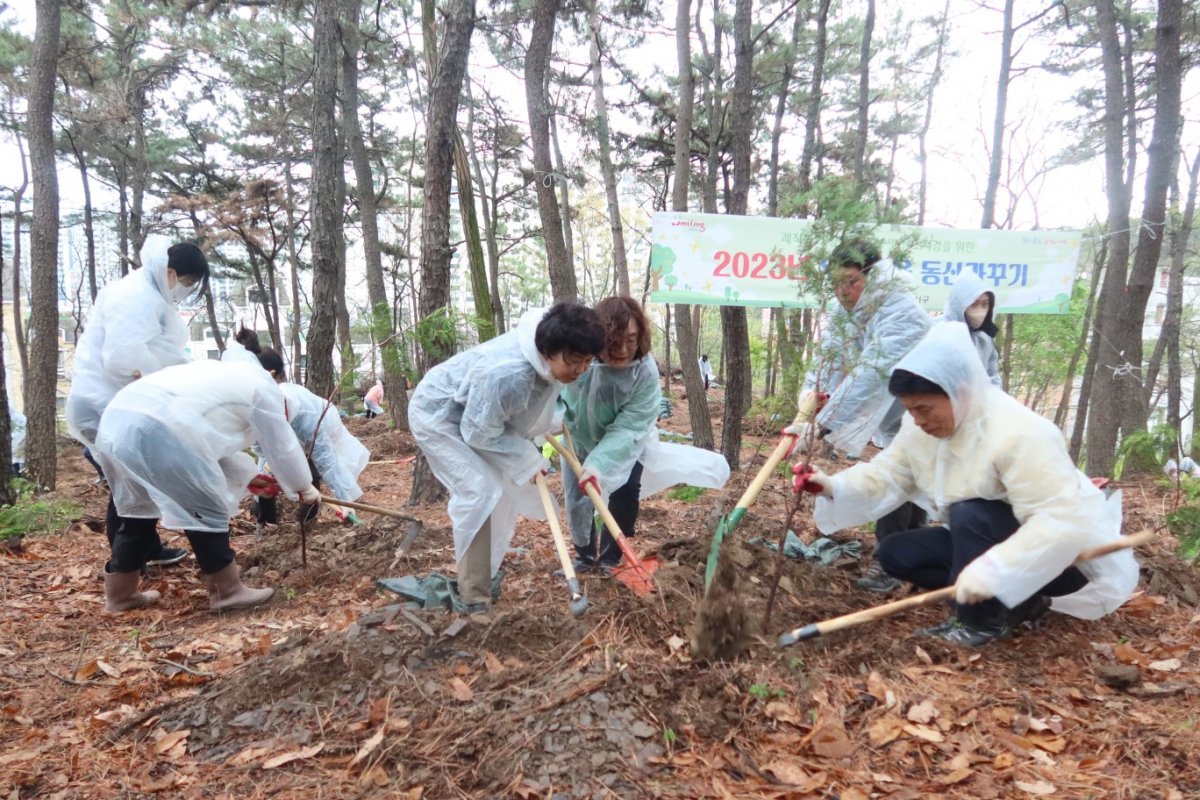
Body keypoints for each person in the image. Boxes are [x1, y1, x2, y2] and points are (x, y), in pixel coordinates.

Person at [793, 323, 1138, 647]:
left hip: (1063, 562)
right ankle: (1019, 602)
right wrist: (830, 486)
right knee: (895, 553)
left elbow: (1061, 524)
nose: (918, 420)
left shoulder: (1021, 432)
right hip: (988, 542)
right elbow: (889, 472)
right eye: (910, 411)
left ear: (959, 391)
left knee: (971, 512)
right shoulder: (920, 429)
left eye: (925, 408)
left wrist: (997, 568)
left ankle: (979, 621)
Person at [408, 303, 606, 615]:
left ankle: (484, 575)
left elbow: (523, 409)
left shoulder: (552, 361)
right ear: (547, 350)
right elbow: (477, 431)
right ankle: (474, 594)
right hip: (439, 415)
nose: (581, 370)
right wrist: (527, 459)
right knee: (479, 491)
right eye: (574, 361)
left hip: (477, 418)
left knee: (502, 496)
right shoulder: (509, 373)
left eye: (587, 361)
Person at [92, 358, 321, 613]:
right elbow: (282, 446)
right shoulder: (267, 394)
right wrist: (303, 485)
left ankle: (121, 595)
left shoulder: (225, 379)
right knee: (205, 505)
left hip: (115, 424)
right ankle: (228, 592)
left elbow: (207, 444)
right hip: (161, 428)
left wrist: (250, 478)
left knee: (136, 510)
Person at [786, 237, 933, 593]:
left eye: (851, 281)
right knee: (908, 483)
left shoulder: (899, 306)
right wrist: (809, 398)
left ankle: (892, 564)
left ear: (872, 274)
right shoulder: (845, 309)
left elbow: (872, 372)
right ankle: (911, 560)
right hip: (897, 417)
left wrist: (822, 425)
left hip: (927, 411)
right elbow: (829, 357)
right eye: (836, 283)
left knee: (902, 483)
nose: (843, 290)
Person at [66, 236, 211, 568]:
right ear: (171, 271)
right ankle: (125, 565)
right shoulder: (136, 296)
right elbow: (123, 358)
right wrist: (162, 395)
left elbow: (160, 352)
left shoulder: (149, 293)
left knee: (133, 487)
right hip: (104, 404)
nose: (186, 289)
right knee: (132, 489)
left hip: (115, 403)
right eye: (187, 282)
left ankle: (141, 554)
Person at [561, 297, 729, 573]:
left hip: (629, 440)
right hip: (577, 439)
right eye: (615, 341)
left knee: (626, 491)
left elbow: (629, 427)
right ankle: (584, 557)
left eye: (632, 339)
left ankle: (609, 559)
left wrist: (600, 465)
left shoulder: (644, 372)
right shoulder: (581, 359)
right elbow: (558, 393)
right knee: (576, 497)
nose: (625, 349)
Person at [232, 329, 370, 526]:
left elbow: (327, 461)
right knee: (265, 478)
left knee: (310, 477)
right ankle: (266, 525)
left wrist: (345, 500)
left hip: (322, 431)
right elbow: (261, 449)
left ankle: (306, 525)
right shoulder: (257, 403)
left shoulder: (301, 411)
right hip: (297, 434)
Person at [941, 270, 1001, 386]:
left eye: (985, 304)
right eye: (974, 304)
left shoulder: (985, 339)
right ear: (959, 305)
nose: (980, 311)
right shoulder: (938, 332)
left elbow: (992, 377)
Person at [10, 409, 25, 477]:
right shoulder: (19, 417)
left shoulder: (18, 418)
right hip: (16, 445)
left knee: (17, 463)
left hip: (19, 444)